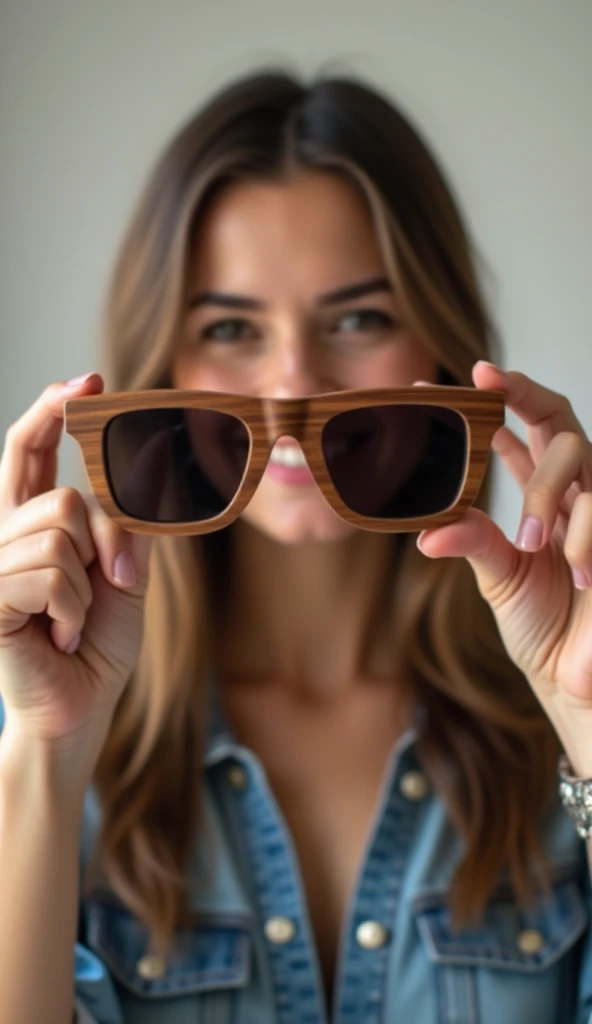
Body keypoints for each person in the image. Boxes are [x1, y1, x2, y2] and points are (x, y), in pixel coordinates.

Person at [0, 67, 591, 1024]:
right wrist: (47, 751)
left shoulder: (554, 734)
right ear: (165, 368)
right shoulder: (55, 727)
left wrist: (590, 722)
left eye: (358, 318)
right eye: (231, 327)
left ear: (442, 345)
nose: (291, 386)